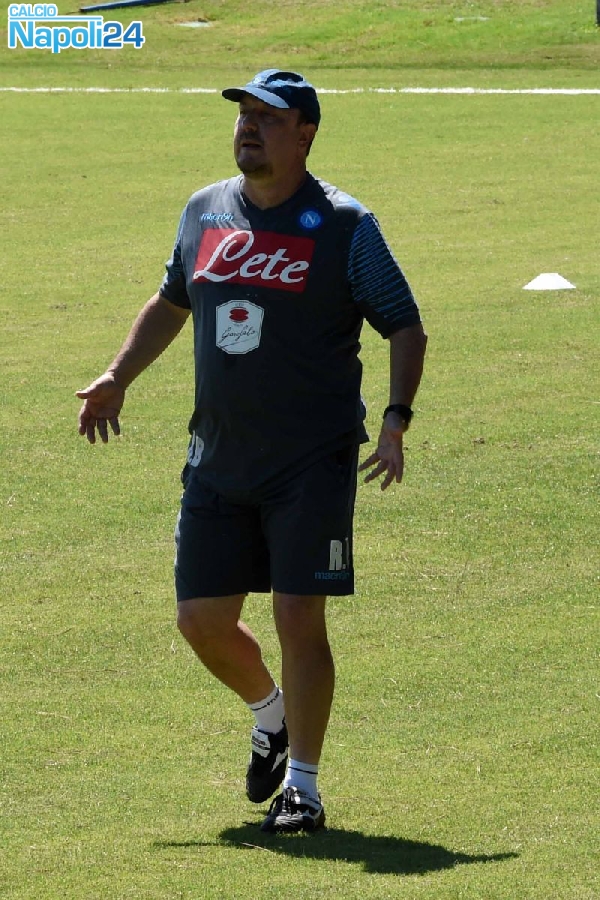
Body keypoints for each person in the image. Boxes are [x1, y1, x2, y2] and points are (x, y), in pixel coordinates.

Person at [76, 69, 427, 834]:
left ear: (305, 134)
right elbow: (171, 301)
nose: (248, 127)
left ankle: (303, 787)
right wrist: (117, 376)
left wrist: (396, 418)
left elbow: (404, 323)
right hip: (218, 457)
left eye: (268, 117)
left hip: (311, 460)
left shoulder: (344, 225)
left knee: (299, 615)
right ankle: (270, 716)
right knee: (200, 620)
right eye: (243, 114)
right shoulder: (204, 211)